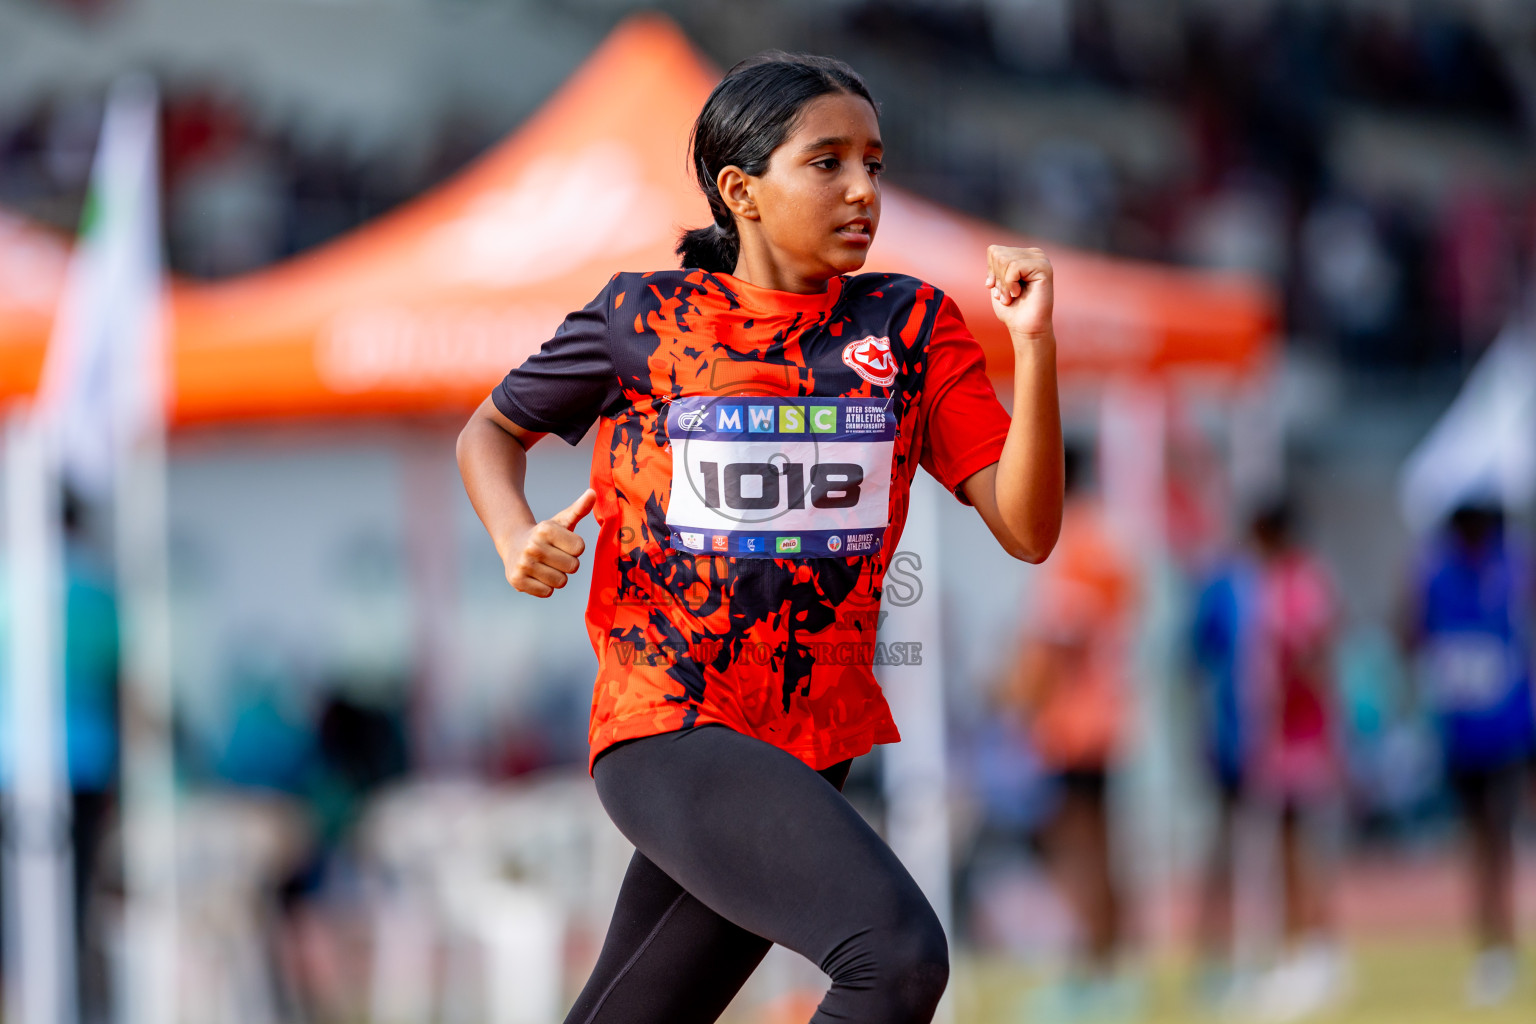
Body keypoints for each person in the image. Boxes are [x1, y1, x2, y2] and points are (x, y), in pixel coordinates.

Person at [456, 52, 1064, 1024]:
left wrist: (1032, 346)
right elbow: (489, 430)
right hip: (671, 726)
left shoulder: (910, 325)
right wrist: (512, 531)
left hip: (810, 740)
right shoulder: (644, 317)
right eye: (828, 163)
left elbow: (1027, 528)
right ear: (740, 188)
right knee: (895, 959)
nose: (865, 188)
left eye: (875, 161)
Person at [1190, 501, 1346, 1020]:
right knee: (1281, 844)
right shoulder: (1269, 585)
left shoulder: (1302, 584)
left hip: (1299, 735)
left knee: (1300, 843)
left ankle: (1317, 947)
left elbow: (1314, 657)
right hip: (1273, 737)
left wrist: (1289, 690)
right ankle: (1295, 945)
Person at [1005, 442, 1139, 1020]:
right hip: (1103, 715)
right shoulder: (1107, 540)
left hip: (1076, 723)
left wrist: (1014, 695)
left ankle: (1095, 974)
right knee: (1100, 847)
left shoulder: (1076, 541)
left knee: (1078, 848)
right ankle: (1105, 971)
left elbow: (1061, 638)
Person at [1404, 502, 1535, 1007]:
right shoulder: (1435, 574)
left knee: (1501, 838)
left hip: (1511, 728)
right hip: (1463, 732)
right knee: (1481, 842)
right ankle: (1492, 947)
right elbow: (1413, 633)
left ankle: (1504, 942)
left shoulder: (1515, 568)